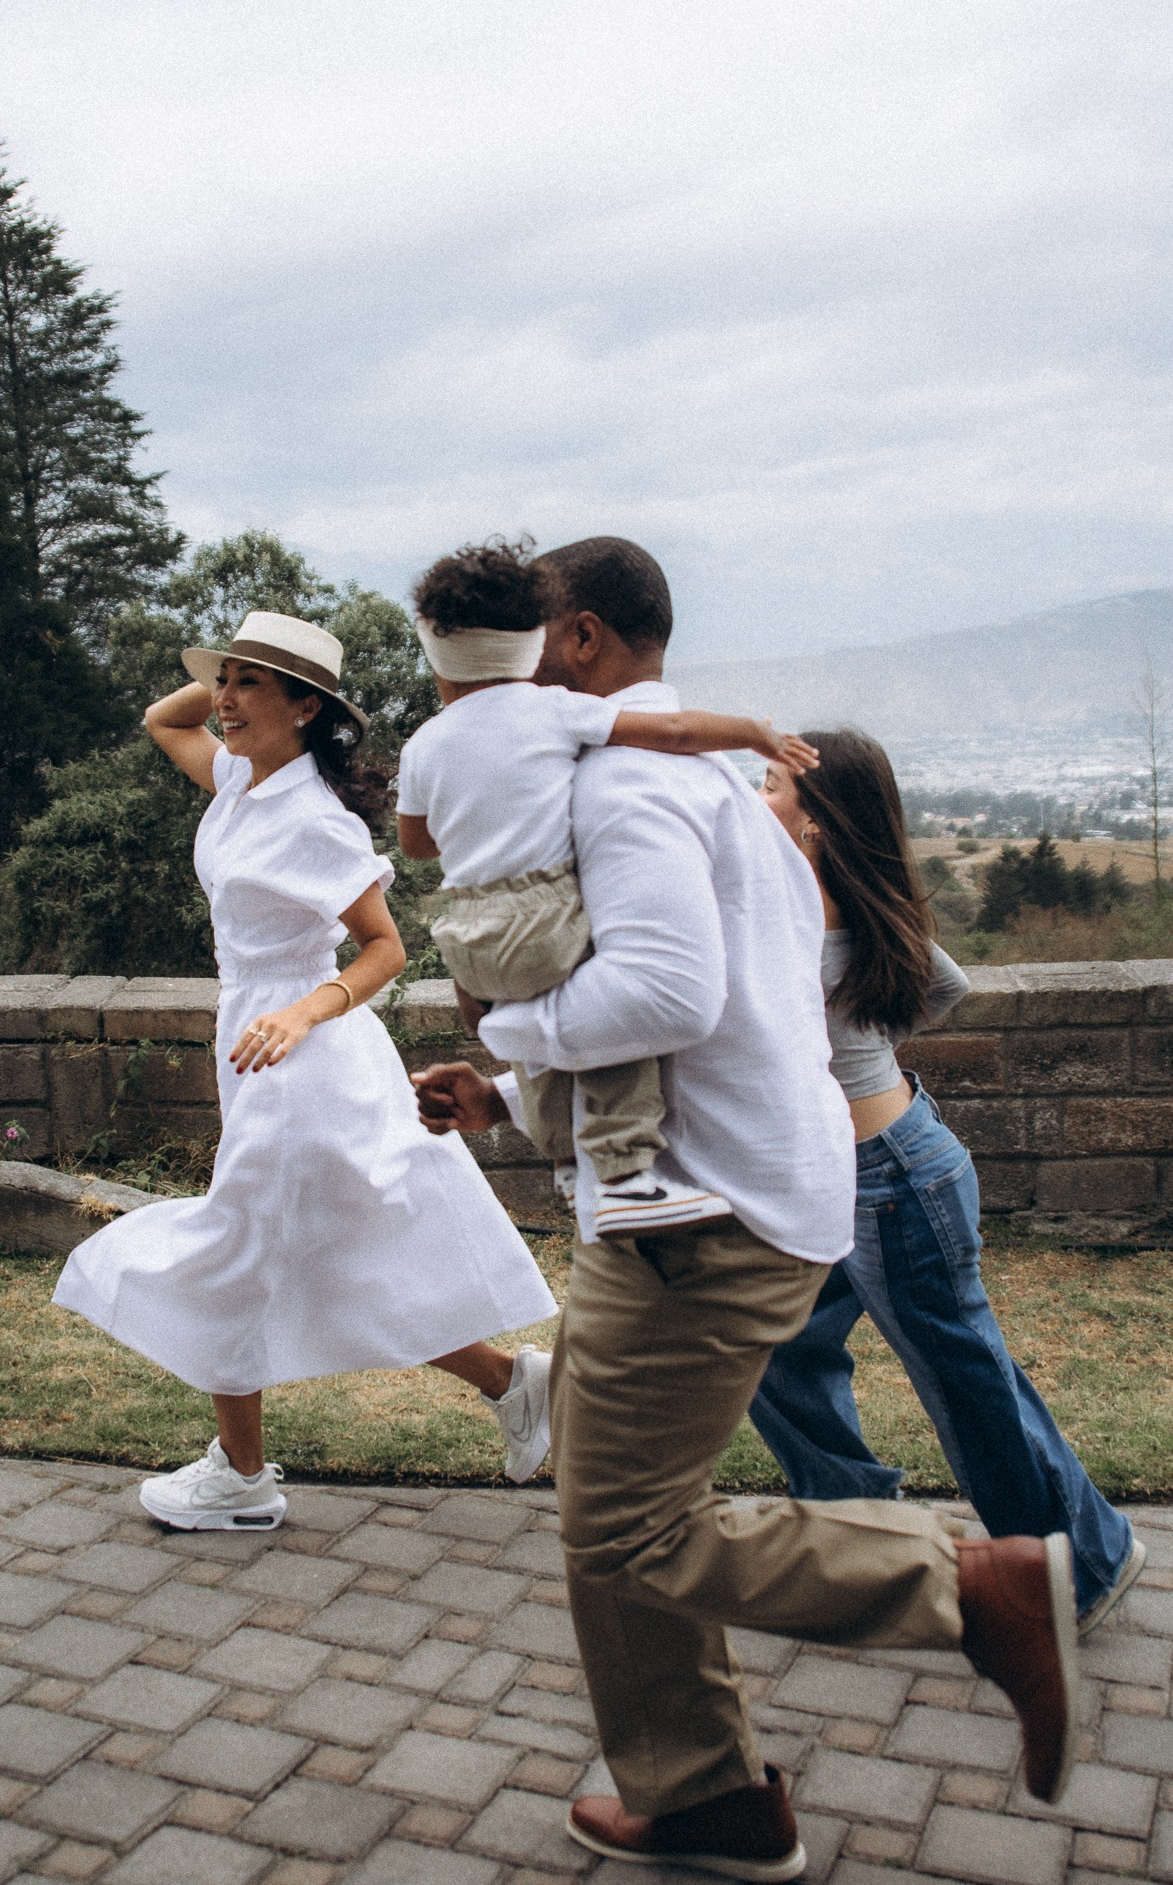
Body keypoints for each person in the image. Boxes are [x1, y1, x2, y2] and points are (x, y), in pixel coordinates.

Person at [414, 538, 1080, 1880]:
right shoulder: (694, 774)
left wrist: (519, 1028)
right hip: (703, 1197)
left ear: (581, 647)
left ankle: (964, 1585)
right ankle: (703, 1792)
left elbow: (665, 1000)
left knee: (625, 1527)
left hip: (700, 1228)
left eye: (509, 659)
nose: (480, 701)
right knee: (609, 1504)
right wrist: (507, 1087)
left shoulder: (622, 788)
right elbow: (726, 1014)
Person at [54, 611, 559, 1527]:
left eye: (251, 684)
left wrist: (300, 1011)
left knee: (236, 1251)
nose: (225, 699)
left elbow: (383, 950)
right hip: (253, 1038)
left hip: (303, 1054)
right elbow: (164, 724)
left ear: (305, 704)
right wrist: (228, 670)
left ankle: (239, 1478)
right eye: (226, 680)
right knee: (337, 1257)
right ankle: (512, 1383)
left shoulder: (318, 823)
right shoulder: (240, 779)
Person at [748, 729, 1144, 1636]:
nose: (751, 798)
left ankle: (1071, 1571)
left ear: (813, 822)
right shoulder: (829, 898)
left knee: (967, 1386)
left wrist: (854, 1070)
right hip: (838, 1181)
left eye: (767, 785)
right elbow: (942, 986)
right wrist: (865, 1056)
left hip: (892, 1184)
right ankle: (856, 1536)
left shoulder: (803, 914)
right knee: (776, 1352)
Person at [399, 535, 817, 1238]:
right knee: (588, 1004)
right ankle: (618, 1174)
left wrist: (503, 1027)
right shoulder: (651, 767)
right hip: (727, 1196)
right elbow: (661, 1007)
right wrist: (750, 731)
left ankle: (586, 1169)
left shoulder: (609, 781)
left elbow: (659, 1001)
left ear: (584, 635)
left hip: (466, 928)